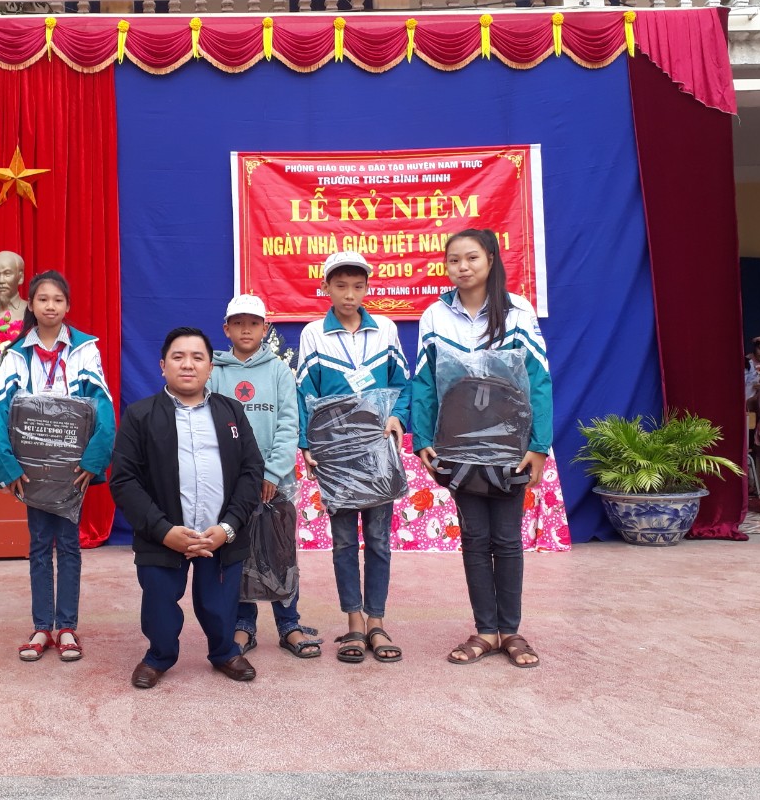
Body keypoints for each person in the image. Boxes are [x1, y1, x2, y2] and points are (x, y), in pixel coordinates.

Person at [410, 229, 552, 669]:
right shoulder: (434, 315)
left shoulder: (518, 311)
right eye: (454, 260)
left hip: (511, 444)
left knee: (506, 538)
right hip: (456, 445)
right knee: (474, 537)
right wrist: (423, 440)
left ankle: (511, 631)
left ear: (490, 259)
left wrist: (539, 445)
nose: (463, 267)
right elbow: (424, 382)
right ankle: (485, 631)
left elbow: (539, 380)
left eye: (471, 257)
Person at [108, 327, 263, 689]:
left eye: (197, 357)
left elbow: (251, 471)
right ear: (163, 366)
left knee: (219, 603)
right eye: (178, 357)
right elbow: (124, 480)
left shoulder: (232, 412)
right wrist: (163, 531)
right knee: (159, 603)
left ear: (210, 367)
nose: (188, 365)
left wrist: (227, 528)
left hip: (219, 535)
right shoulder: (140, 415)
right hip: (162, 535)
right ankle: (158, 656)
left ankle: (225, 652)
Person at [0, 271, 115, 663]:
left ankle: (68, 628)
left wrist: (93, 459)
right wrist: (8, 465)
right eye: (42, 299)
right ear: (31, 304)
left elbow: (103, 405)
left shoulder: (85, 349)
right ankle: (42, 627)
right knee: (40, 544)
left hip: (72, 468)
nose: (50, 306)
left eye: (58, 299)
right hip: (32, 468)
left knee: (70, 544)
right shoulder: (15, 354)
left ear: (67, 305)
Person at [296, 251, 410, 665]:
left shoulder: (386, 330)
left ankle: (377, 621)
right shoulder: (313, 334)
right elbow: (304, 394)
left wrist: (398, 416)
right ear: (325, 288)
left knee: (378, 540)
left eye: (358, 286)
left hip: (378, 451)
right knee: (344, 541)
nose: (349, 294)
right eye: (340, 286)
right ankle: (354, 623)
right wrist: (307, 444)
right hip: (335, 454)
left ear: (367, 288)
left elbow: (403, 383)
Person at [209, 294, 321, 659]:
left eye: (253, 323)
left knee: (280, 553)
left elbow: (290, 424)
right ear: (226, 329)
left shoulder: (279, 371)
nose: (246, 330)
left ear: (265, 328)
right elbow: (210, 424)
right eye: (238, 323)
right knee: (238, 555)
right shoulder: (215, 372)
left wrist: (271, 472)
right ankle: (243, 625)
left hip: (277, 483)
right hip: (231, 484)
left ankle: (289, 625)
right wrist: (235, 477)